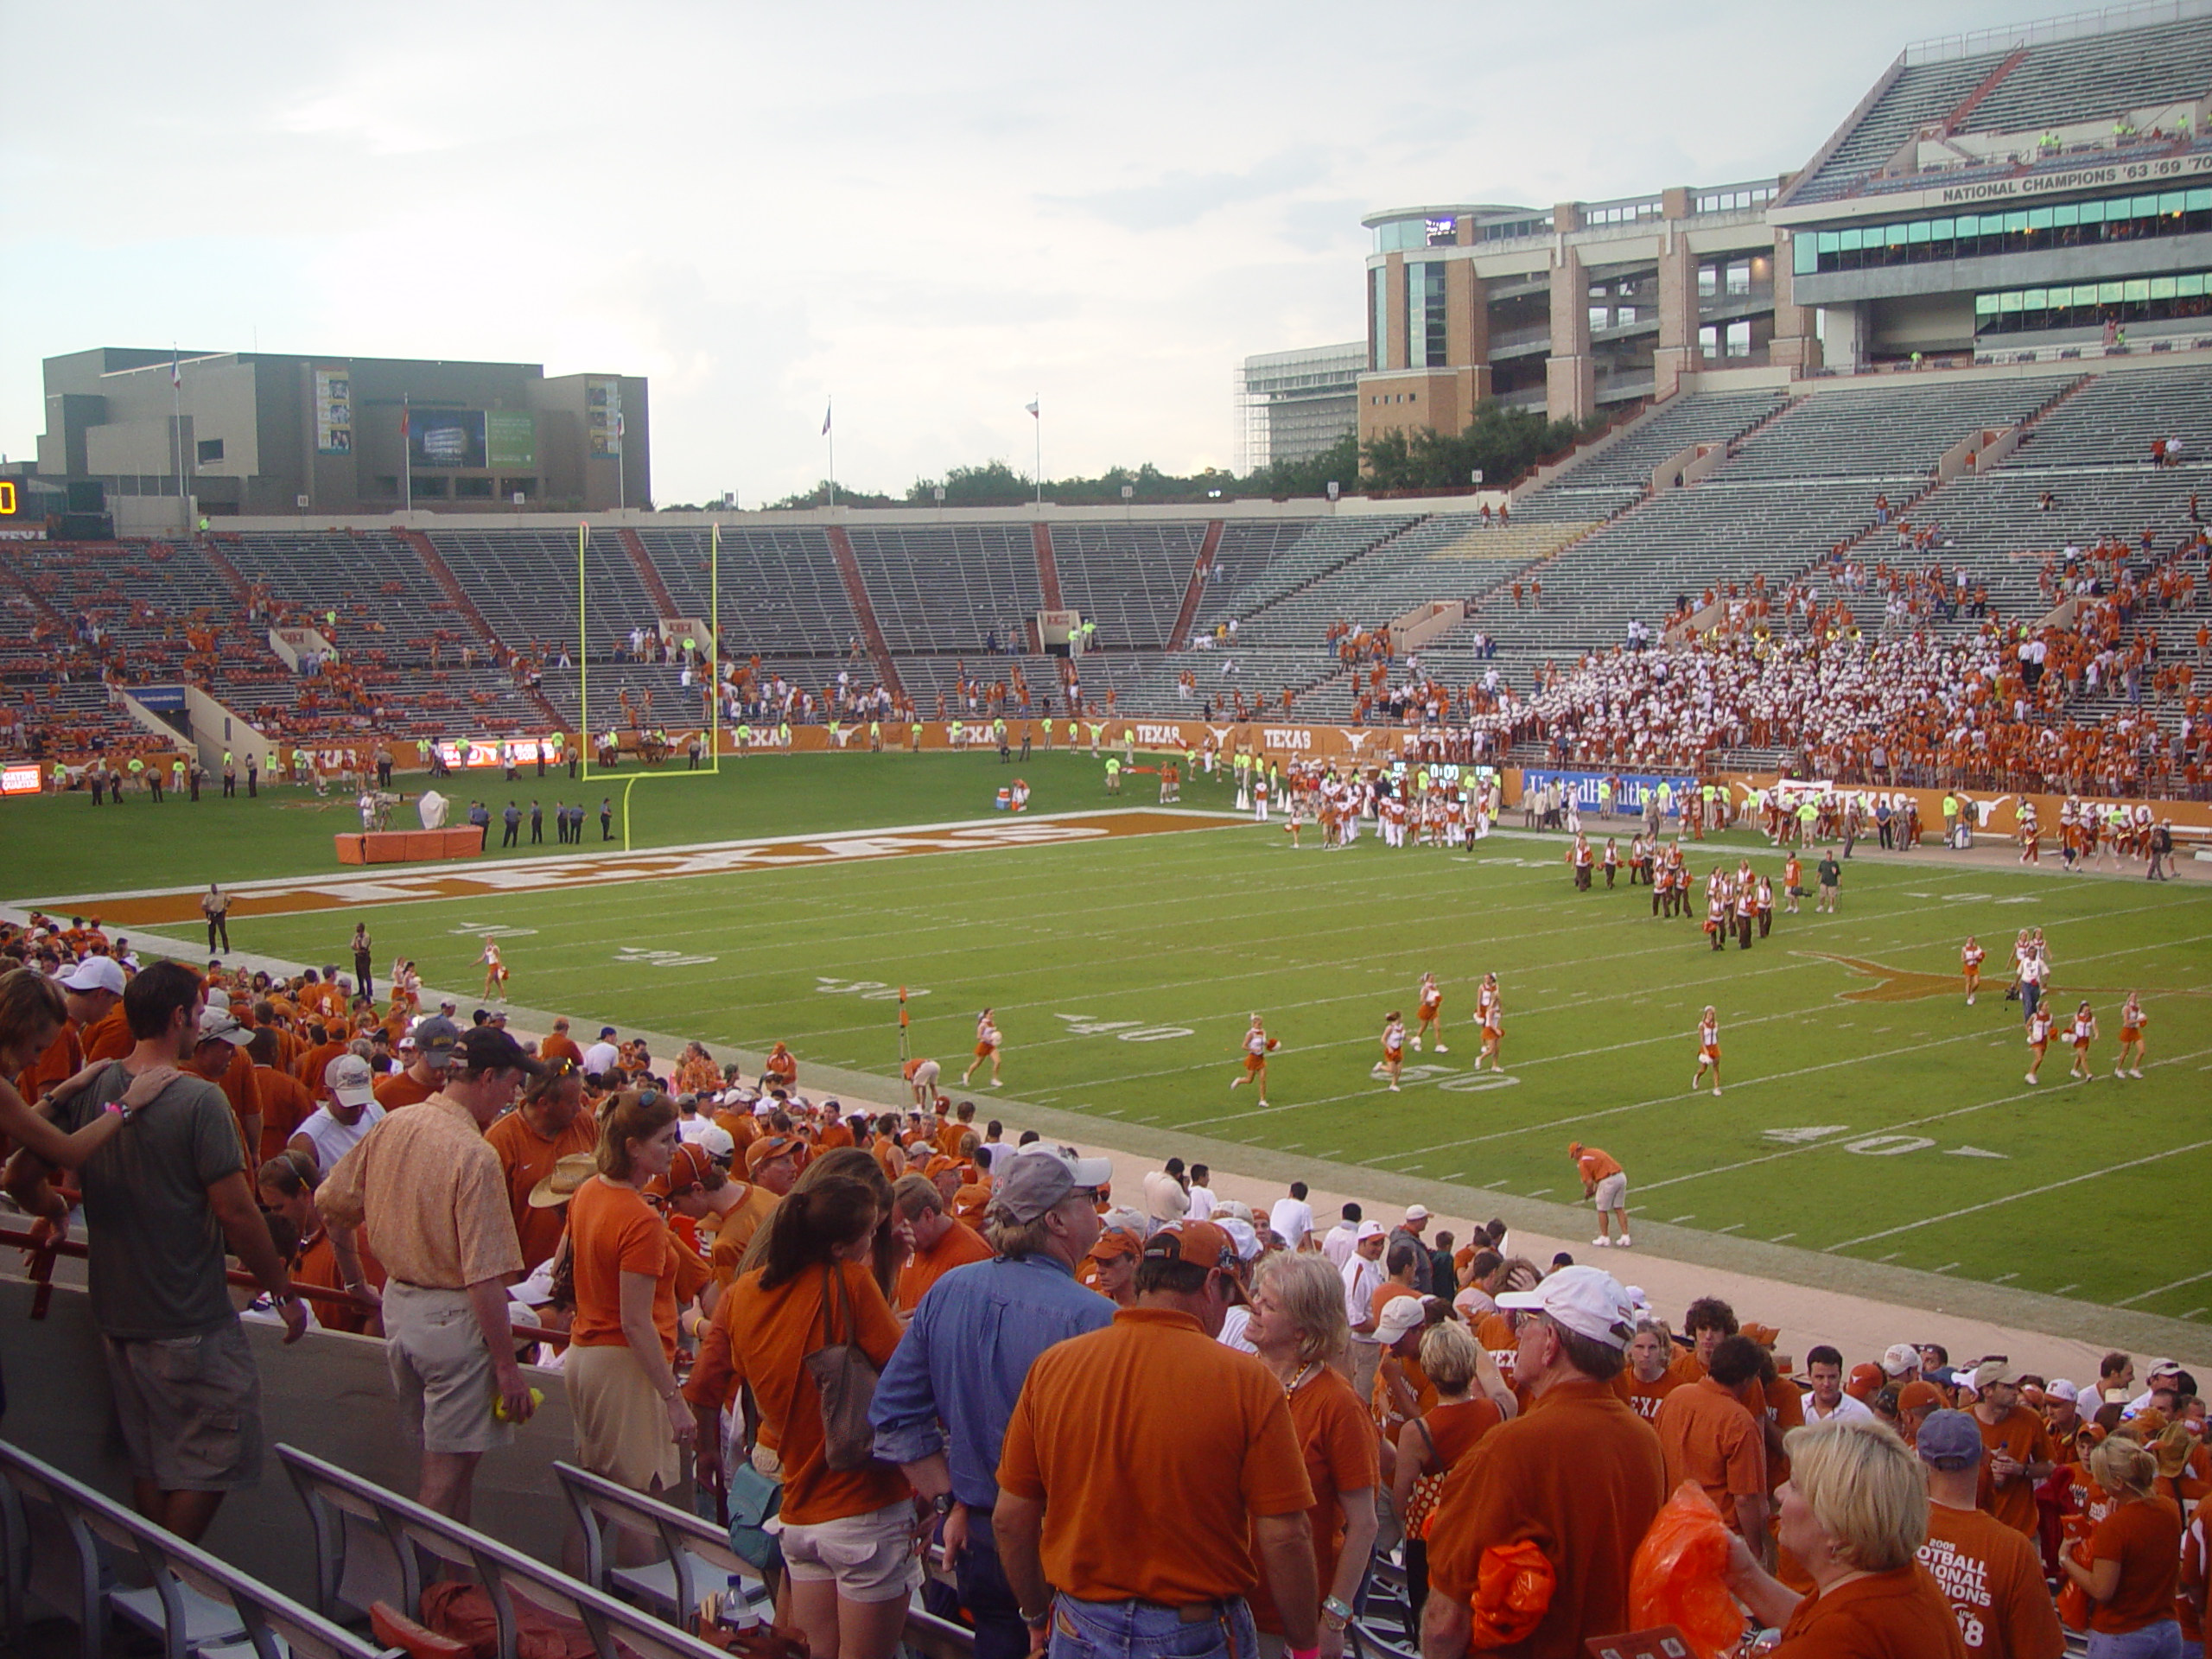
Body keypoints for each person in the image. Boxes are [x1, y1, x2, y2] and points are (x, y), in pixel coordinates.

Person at [5, 961, 305, 1540]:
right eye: (197, 1014)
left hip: (116, 1310)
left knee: (152, 1457)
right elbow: (237, 1212)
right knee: (218, 1452)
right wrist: (282, 1288)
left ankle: (157, 1587)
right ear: (178, 1017)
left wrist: (54, 1209)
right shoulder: (200, 1100)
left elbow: (19, 1176)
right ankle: (168, 1581)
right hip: (186, 1314)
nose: (200, 1025)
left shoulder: (93, 1082)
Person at [994, 1220, 1320, 1659]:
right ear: (1211, 1284)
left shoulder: (1054, 1367)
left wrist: (1036, 1617)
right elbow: (1285, 1535)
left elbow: (1011, 1518)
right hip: (1196, 1630)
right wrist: (1304, 1646)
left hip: (1079, 1624)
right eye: (1229, 1297)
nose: (1227, 1314)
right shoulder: (1248, 1382)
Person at [871, 1145, 1116, 1659]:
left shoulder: (950, 1289)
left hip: (980, 1540)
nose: (1096, 1209)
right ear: (1056, 1221)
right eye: (1086, 1199)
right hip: (1065, 1551)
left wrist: (950, 1499)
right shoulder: (1096, 1318)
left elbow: (894, 1416)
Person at [686, 1149, 913, 1659]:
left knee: (804, 1647)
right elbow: (905, 1377)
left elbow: (704, 1384)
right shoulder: (848, 1281)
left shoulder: (744, 1291)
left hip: (794, 1500)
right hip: (859, 1501)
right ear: (842, 1241)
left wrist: (707, 1451)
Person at [318, 1024, 543, 1521]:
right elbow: (484, 1276)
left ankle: (447, 1587)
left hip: (401, 1310)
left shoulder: (394, 1123)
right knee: (442, 1482)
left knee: (454, 1474)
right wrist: (508, 1367)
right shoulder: (475, 1155)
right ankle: (414, 1589)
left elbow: (331, 1203)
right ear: (486, 1078)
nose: (514, 1096)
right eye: (510, 1085)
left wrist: (357, 1282)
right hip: (452, 1325)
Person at [1421, 1266, 1667, 1659]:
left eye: (1529, 1322)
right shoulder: (1645, 1442)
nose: (1519, 1333)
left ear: (1551, 1342)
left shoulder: (1509, 1449)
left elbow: (1445, 1622)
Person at [1721, 1418, 1968, 1656]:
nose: (1779, 1492)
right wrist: (1743, 1576)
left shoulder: (1840, 1638)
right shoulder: (1902, 1581)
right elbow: (1817, 1620)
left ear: (1838, 1525)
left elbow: (1830, 1637)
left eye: (1795, 1486)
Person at [1244, 1252, 1378, 1659]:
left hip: (1287, 1625)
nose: (1253, 1307)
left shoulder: (1338, 1405)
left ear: (1302, 1329)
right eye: (1256, 1296)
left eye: (1268, 1305)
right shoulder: (1235, 1377)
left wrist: (1334, 1616)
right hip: (1221, 1607)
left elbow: (1364, 1525)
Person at [564, 1090, 695, 1505]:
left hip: (586, 1356)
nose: (675, 1149)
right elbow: (635, 1321)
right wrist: (673, 1398)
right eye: (665, 1140)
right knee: (638, 1504)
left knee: (598, 1505)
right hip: (625, 1366)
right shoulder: (639, 1219)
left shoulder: (588, 1192)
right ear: (633, 1148)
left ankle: (580, 1574)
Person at [1913, 1409, 2065, 1659]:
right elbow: (2040, 1650)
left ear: (1919, 1457)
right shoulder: (2012, 1549)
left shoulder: (1896, 1534)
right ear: (1984, 1456)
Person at [1390, 1319, 1506, 1623]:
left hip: (1432, 1544)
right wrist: (1475, 1345)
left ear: (1428, 1371)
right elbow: (1498, 1385)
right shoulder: (1497, 1412)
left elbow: (1400, 1501)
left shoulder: (1418, 1432)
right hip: (1483, 1533)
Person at [2061, 1435, 2183, 1658]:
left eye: (2101, 1477)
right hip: (2167, 1629)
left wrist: (2065, 1560)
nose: (2097, 1483)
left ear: (2117, 1482)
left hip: (2122, 1633)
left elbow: (2102, 1590)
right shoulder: (2169, 1509)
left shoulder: (2115, 1526)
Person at [1656, 1332, 1772, 1563]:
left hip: (1671, 1527)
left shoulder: (1675, 1397)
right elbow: (1745, 1498)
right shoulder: (1739, 1421)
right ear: (1747, 1380)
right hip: (1718, 1538)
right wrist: (1756, 1551)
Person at [484, 1057, 599, 1272]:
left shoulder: (584, 1121)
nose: (580, 1107)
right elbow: (490, 1228)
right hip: (527, 1279)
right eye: (572, 1102)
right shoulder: (501, 1141)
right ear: (544, 1103)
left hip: (583, 1270)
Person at [1972, 1360, 2056, 1540]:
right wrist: (1985, 1473)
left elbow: (2050, 1466)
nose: (2015, 1392)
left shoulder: (2030, 1420)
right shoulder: (1964, 1421)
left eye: (2016, 1386)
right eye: (2008, 1387)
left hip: (2021, 1530)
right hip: (1977, 1529)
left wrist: (2021, 1469)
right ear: (1987, 1391)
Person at [892, 1173, 994, 1313]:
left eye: (905, 1227)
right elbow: (903, 1299)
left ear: (928, 1215)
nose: (899, 1236)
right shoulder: (913, 1245)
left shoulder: (973, 1258)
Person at [287, 1052, 387, 1173]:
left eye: (362, 1101)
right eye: (350, 1103)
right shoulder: (309, 1140)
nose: (359, 1109)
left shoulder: (374, 1110)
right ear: (328, 1093)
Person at [1571, 1141, 1630, 1249]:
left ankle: (1605, 1237)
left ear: (1576, 1152)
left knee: (1602, 1209)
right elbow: (1601, 1174)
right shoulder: (1595, 1151)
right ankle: (1626, 1236)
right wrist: (1594, 1189)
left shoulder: (1583, 1161)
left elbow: (1589, 1182)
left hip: (1608, 1181)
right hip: (1620, 1177)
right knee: (1619, 1207)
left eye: (1573, 1155)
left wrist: (1589, 1191)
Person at [1802, 1344, 1876, 1424]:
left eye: (1832, 1377)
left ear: (1840, 1375)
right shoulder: (1799, 1405)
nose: (1826, 1384)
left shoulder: (1860, 1414)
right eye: (1820, 1377)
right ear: (1809, 1375)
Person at [1231, 1013, 1277, 1107]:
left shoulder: (1263, 1032)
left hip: (1261, 1058)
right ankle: (1239, 1080)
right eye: (1258, 1024)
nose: (1260, 1026)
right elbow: (1243, 1046)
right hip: (1253, 1058)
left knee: (1263, 1079)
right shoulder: (1250, 1034)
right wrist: (1253, 1049)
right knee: (1249, 1080)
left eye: (1261, 1024)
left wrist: (1270, 1046)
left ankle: (1262, 1100)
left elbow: (1264, 1042)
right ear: (1254, 1024)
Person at [963, 1007, 1003, 1089]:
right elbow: (979, 1036)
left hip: (991, 1046)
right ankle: (967, 1075)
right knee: (977, 1063)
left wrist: (996, 1037)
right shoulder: (983, 1024)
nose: (992, 1015)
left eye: (993, 1013)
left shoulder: (992, 1022)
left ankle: (994, 1079)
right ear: (986, 1015)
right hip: (984, 1045)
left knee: (998, 1061)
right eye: (991, 1014)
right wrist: (989, 1039)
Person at [1693, 1005, 1723, 1097]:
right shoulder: (1702, 1025)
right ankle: (1697, 1077)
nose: (1711, 1016)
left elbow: (1716, 1036)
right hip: (1706, 1048)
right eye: (1710, 1014)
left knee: (1716, 1067)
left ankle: (1716, 1088)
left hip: (1714, 1047)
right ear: (1706, 1014)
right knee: (1704, 1069)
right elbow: (1702, 1039)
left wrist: (1717, 1046)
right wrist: (1705, 1051)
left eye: (1712, 1014)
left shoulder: (1716, 1024)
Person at [202, 883, 232, 953]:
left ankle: (226, 949)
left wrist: (225, 908)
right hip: (211, 915)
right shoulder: (208, 896)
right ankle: (212, 949)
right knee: (211, 933)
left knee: (223, 932)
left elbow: (230, 900)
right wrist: (209, 910)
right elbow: (203, 906)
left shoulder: (222, 894)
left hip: (220, 914)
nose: (214, 890)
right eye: (213, 889)